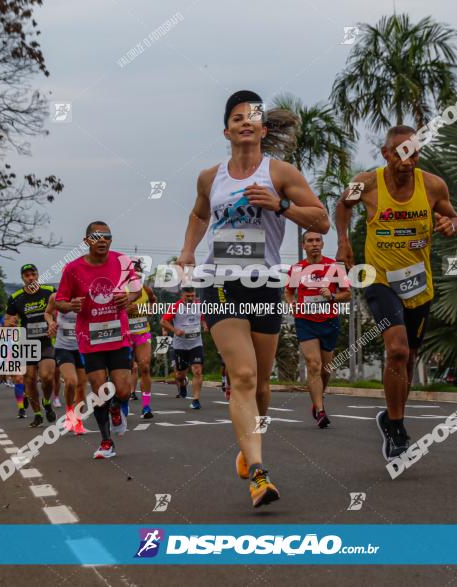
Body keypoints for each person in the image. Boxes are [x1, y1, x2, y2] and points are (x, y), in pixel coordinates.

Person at [178, 90, 329, 507]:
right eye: (238, 117)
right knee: (242, 376)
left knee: (262, 385)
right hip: (220, 282)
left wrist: (280, 205)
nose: (246, 122)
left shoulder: (280, 172)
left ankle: (249, 452)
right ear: (226, 130)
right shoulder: (211, 177)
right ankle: (260, 475)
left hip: (264, 284)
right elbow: (199, 213)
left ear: (263, 130)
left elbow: (321, 220)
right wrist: (189, 250)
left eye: (254, 118)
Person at [335, 125, 457, 461]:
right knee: (398, 350)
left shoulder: (433, 185)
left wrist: (451, 224)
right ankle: (396, 426)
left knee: (408, 362)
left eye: (414, 153)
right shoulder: (368, 183)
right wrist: (344, 241)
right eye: (400, 153)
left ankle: (392, 421)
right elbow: (343, 204)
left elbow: (452, 216)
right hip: (379, 278)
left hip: (419, 285)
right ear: (387, 154)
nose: (407, 160)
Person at [55, 222, 141, 458]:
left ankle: (116, 407)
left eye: (107, 236)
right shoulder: (72, 269)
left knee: (123, 391)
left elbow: (137, 289)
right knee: (100, 390)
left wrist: (129, 297)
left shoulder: (122, 261)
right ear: (87, 241)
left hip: (118, 335)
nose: (102, 240)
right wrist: (70, 305)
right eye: (97, 236)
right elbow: (59, 301)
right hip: (90, 338)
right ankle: (106, 442)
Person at [284, 231, 351, 428]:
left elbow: (347, 293)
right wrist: (292, 305)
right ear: (303, 246)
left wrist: (331, 296)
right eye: (309, 241)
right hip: (305, 321)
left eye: (317, 240)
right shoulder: (297, 269)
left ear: (322, 244)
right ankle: (320, 411)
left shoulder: (334, 267)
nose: (314, 244)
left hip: (329, 321)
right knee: (313, 365)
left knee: (326, 368)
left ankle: (318, 397)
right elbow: (288, 292)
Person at [5, 264, 57, 428]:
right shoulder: (16, 297)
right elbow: (8, 319)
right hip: (26, 343)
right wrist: (10, 324)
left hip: (46, 341)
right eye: (27, 275)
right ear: (22, 278)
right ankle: (37, 414)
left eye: (33, 274)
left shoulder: (49, 291)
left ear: (38, 275)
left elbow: (61, 308)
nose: (30, 278)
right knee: (29, 379)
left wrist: (55, 323)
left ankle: (46, 401)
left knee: (47, 377)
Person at [45, 293, 88, 435]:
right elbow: (47, 312)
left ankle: (78, 420)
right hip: (63, 347)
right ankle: (69, 412)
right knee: (71, 381)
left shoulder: (86, 295)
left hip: (83, 346)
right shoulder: (55, 297)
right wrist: (51, 322)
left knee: (81, 386)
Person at [160, 287, 208, 410]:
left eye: (192, 295)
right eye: (188, 296)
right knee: (179, 375)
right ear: (182, 296)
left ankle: (196, 399)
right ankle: (182, 385)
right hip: (180, 346)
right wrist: (175, 330)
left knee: (197, 370)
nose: (191, 298)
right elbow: (163, 321)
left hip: (196, 344)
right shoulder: (176, 307)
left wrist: (204, 325)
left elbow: (202, 317)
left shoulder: (199, 305)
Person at [127, 258, 157, 418]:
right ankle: (121, 405)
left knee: (144, 366)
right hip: (123, 335)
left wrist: (143, 308)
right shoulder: (119, 290)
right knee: (123, 371)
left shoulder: (146, 290)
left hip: (142, 332)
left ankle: (146, 407)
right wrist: (124, 310)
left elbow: (153, 304)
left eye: (138, 271)